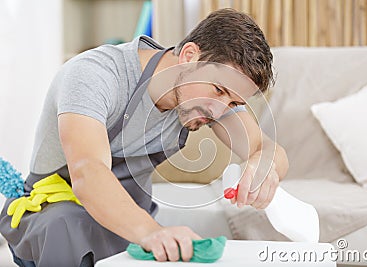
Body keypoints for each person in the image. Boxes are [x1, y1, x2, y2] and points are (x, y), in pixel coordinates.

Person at [0, 8, 288, 267]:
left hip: (126, 223)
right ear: (189, 57)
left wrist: (263, 167)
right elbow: (88, 172)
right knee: (65, 223)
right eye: (219, 91)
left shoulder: (208, 98)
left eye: (234, 103)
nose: (220, 110)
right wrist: (151, 232)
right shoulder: (94, 75)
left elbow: (267, 148)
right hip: (51, 216)